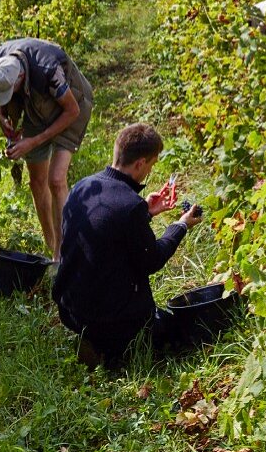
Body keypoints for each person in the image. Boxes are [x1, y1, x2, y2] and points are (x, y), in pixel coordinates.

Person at [52, 123, 201, 368]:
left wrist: (146, 212)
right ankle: (112, 350)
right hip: (110, 319)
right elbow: (152, 260)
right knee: (179, 332)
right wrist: (181, 225)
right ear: (140, 163)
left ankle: (92, 339)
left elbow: (105, 232)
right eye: (152, 164)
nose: (150, 170)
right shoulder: (129, 206)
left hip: (70, 310)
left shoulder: (83, 187)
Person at [0, 38, 94, 258]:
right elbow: (3, 101)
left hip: (73, 106)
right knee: (36, 181)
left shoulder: (48, 71)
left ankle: (62, 256)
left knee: (55, 179)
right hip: (36, 105)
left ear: (21, 78)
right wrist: (4, 117)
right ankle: (51, 243)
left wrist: (32, 141)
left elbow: (71, 111)